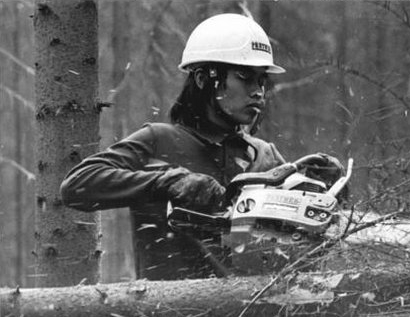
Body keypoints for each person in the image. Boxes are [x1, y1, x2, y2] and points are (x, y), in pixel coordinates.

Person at [62, 14, 294, 280]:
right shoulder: (159, 141)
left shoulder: (264, 157)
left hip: (250, 315)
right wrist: (166, 182)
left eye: (261, 80)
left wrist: (325, 191)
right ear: (203, 78)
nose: (258, 91)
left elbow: (302, 242)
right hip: (169, 316)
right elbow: (76, 186)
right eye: (244, 76)